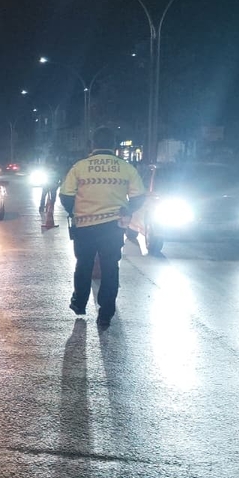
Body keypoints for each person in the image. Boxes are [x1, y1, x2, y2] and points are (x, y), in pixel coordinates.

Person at [58, 127, 146, 329]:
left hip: (85, 226)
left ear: (92, 144)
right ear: (114, 145)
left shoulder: (80, 167)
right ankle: (105, 314)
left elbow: (66, 195)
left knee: (84, 265)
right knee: (110, 268)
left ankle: (79, 304)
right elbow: (139, 196)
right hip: (112, 227)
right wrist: (127, 210)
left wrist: (75, 212)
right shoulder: (126, 168)